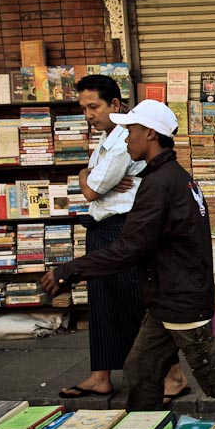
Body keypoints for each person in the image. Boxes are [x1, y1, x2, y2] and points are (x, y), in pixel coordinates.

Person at [42, 99, 215, 412]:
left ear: (150, 133)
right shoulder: (174, 177)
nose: (126, 138)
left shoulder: (160, 184)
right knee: (140, 369)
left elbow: (129, 247)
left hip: (180, 302)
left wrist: (69, 271)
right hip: (168, 299)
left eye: (131, 130)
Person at [59, 75, 189, 402]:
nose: (88, 114)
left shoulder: (122, 141)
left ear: (114, 104)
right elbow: (96, 184)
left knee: (134, 303)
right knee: (104, 305)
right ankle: (100, 376)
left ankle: (174, 376)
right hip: (102, 227)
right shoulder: (109, 139)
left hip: (121, 227)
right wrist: (92, 178)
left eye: (94, 106)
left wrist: (85, 176)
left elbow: (90, 188)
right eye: (84, 108)